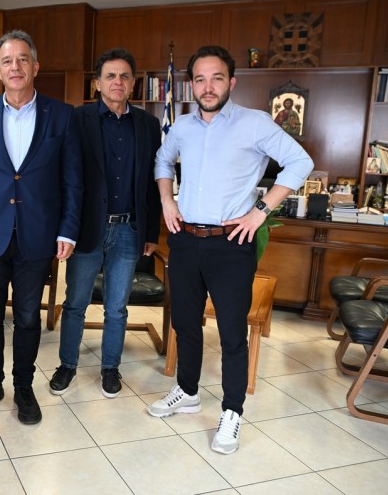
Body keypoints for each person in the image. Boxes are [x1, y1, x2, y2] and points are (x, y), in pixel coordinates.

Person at [151, 45, 313, 454]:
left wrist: (261, 211)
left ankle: (232, 411)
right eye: (200, 79)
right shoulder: (182, 127)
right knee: (185, 323)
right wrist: (167, 200)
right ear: (192, 85)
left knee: (231, 332)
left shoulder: (255, 123)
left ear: (231, 82)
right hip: (185, 239)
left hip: (231, 243)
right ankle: (188, 392)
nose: (208, 87)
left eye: (217, 78)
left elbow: (300, 163)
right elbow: (162, 162)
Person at [0, 30, 83, 424]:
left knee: (27, 317)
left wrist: (67, 230)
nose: (15, 67)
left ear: (35, 67)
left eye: (23, 59)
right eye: (7, 61)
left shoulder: (61, 115)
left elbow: (72, 180)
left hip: (37, 235)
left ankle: (23, 387)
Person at [49, 48, 161, 398]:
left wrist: (151, 232)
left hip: (128, 229)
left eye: (124, 76)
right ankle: (67, 365)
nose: (117, 82)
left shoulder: (148, 125)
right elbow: (64, 177)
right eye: (110, 76)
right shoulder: (77, 119)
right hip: (86, 229)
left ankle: (110, 368)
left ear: (133, 83)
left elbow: (153, 183)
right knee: (75, 303)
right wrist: (64, 229)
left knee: (117, 307)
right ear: (97, 83)